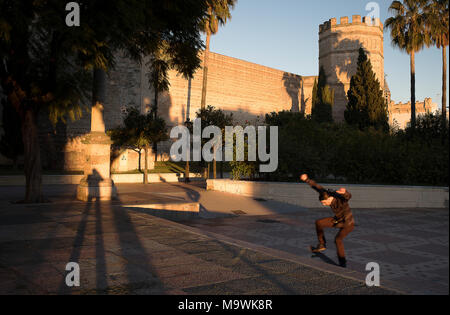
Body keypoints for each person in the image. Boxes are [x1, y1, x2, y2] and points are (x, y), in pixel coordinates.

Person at [300, 174, 355, 268]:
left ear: (329, 199)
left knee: (338, 240)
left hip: (347, 223)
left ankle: (342, 263)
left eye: (325, 203)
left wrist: (345, 192)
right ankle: (322, 244)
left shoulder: (339, 198)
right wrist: (307, 179)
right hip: (337, 220)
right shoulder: (325, 193)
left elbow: (348, 197)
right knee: (319, 222)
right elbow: (316, 187)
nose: (324, 205)